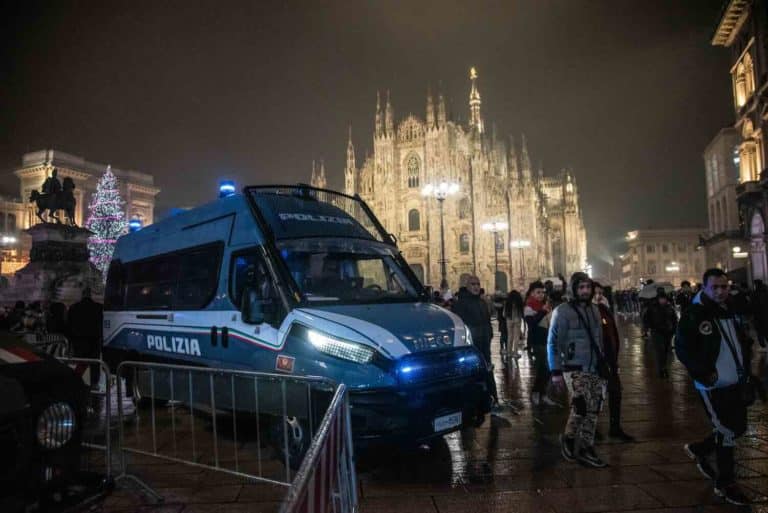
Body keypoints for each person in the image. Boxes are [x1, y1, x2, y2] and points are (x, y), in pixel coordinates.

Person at [675, 268, 754, 505]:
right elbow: (682, 349)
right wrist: (704, 373)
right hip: (713, 385)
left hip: (735, 381)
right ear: (705, 287)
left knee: (739, 427)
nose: (721, 292)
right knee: (727, 430)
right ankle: (726, 482)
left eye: (724, 287)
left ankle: (701, 449)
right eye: (715, 287)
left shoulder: (729, 309)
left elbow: (739, 342)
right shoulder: (695, 313)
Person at [548, 272, 609, 468]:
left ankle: (586, 447)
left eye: (587, 287)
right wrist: (555, 372)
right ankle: (568, 437)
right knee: (580, 405)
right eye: (581, 287)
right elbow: (553, 342)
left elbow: (599, 339)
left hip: (594, 367)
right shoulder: (562, 311)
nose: (585, 291)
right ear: (573, 289)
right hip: (573, 366)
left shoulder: (595, 310)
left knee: (593, 409)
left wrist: (604, 362)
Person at [453, 276, 501, 415]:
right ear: (466, 286)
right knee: (471, 374)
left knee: (487, 370)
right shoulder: (460, 303)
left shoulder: (482, 302)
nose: (476, 286)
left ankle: (493, 400)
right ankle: (470, 404)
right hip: (471, 344)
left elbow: (487, 320)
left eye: (478, 284)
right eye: (473, 284)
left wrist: (490, 333)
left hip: (484, 341)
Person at [595, 294, 634, 442]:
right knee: (595, 397)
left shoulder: (605, 310)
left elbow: (612, 335)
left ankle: (615, 428)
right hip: (596, 361)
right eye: (595, 292)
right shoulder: (586, 312)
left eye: (600, 292)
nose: (598, 296)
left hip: (610, 360)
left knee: (615, 393)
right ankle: (592, 429)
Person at [524, 281, 557, 406]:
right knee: (543, 368)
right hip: (537, 341)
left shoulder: (546, 305)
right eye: (538, 292)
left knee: (549, 368)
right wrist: (543, 311)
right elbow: (531, 324)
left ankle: (542, 394)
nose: (541, 295)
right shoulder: (529, 307)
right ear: (532, 293)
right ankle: (536, 393)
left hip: (548, 339)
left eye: (542, 292)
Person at [68, 287, 104, 386]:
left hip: (78, 340)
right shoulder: (99, 307)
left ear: (82, 295)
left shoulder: (74, 308)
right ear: (90, 295)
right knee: (94, 362)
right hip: (94, 340)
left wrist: (71, 339)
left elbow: (69, 325)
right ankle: (94, 382)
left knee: (80, 362)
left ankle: (80, 382)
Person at [643, 289, 678, 378]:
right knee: (660, 351)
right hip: (656, 332)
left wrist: (674, 329)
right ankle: (661, 369)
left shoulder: (670, 307)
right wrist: (649, 327)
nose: (663, 300)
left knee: (666, 351)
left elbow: (674, 319)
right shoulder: (652, 307)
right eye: (661, 298)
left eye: (664, 299)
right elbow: (646, 319)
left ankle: (665, 367)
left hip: (668, 332)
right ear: (658, 299)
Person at [504, 290, 524, 359]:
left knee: (510, 336)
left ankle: (509, 353)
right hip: (517, 319)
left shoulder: (507, 302)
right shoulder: (519, 301)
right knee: (516, 337)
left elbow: (504, 313)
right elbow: (521, 312)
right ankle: (515, 353)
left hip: (509, 319)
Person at [752, 280, 768, 348]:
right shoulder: (767, 290)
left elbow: (752, 305)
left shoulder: (755, 293)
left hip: (758, 316)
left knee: (760, 331)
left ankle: (763, 345)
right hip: (766, 315)